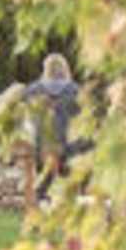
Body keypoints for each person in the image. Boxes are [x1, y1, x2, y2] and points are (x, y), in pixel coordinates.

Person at [26, 51, 82, 201]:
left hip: (40, 146)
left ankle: (41, 193)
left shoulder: (33, 90)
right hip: (67, 147)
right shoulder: (75, 91)